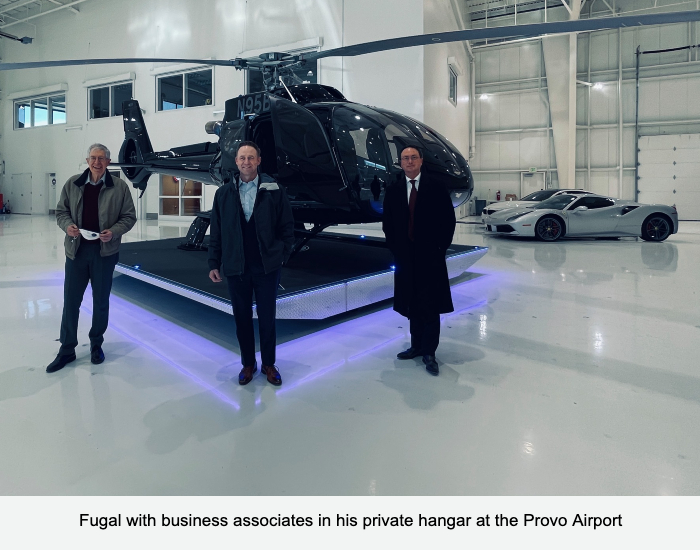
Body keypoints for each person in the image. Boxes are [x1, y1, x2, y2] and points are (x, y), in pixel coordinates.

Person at [208, 141, 294, 386]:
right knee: (241, 319)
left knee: (268, 318)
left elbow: (287, 226)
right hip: (236, 267)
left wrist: (282, 255)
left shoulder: (274, 189)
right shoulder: (223, 193)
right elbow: (217, 232)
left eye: (251, 158)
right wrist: (214, 262)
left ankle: (269, 363)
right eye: (242, 158)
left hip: (266, 267)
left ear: (258, 161)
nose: (246, 162)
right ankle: (248, 363)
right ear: (236, 162)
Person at [47, 144, 136, 373]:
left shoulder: (119, 187)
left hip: (104, 254)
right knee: (71, 302)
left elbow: (129, 217)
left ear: (108, 162)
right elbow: (61, 212)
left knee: (101, 302)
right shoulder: (73, 184)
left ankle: (96, 344)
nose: (97, 162)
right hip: (76, 252)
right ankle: (67, 349)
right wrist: (68, 227)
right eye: (93, 158)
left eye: (102, 158)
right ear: (87, 160)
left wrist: (113, 232)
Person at [382, 145, 456, 376]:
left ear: (421, 161)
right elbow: (388, 225)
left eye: (414, 157)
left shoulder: (436, 187)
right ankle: (415, 346)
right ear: (401, 163)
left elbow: (448, 221)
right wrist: (397, 250)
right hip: (406, 259)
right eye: (405, 158)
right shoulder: (394, 189)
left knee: (431, 304)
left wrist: (438, 249)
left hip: (430, 257)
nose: (410, 162)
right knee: (411, 303)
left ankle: (430, 351)